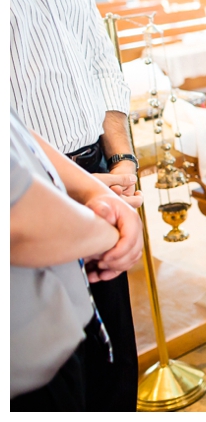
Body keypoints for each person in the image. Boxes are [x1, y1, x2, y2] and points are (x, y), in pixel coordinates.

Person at [10, 0, 141, 410]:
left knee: (115, 372)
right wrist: (83, 196)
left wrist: (119, 160)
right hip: (31, 189)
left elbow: (99, 59)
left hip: (96, 176)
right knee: (58, 376)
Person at [10, 110, 143, 411]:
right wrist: (113, 234)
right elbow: (17, 216)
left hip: (61, 324)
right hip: (25, 363)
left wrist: (93, 191)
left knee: (115, 373)